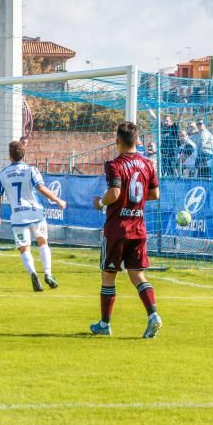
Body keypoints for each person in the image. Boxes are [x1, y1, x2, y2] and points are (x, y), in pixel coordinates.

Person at [91, 121, 161, 339]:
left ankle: (104, 324)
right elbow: (155, 194)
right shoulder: (148, 164)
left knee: (108, 275)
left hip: (117, 229)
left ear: (117, 140)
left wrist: (101, 203)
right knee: (137, 274)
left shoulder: (114, 164)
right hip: (138, 228)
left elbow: (114, 192)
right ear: (137, 140)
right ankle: (153, 316)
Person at [0, 140, 66, 292]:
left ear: (9, 156)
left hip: (18, 216)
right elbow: (41, 188)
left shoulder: (3, 174)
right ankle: (48, 274)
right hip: (35, 213)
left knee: (24, 249)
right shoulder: (31, 170)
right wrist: (57, 200)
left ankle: (33, 273)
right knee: (42, 242)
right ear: (24, 154)